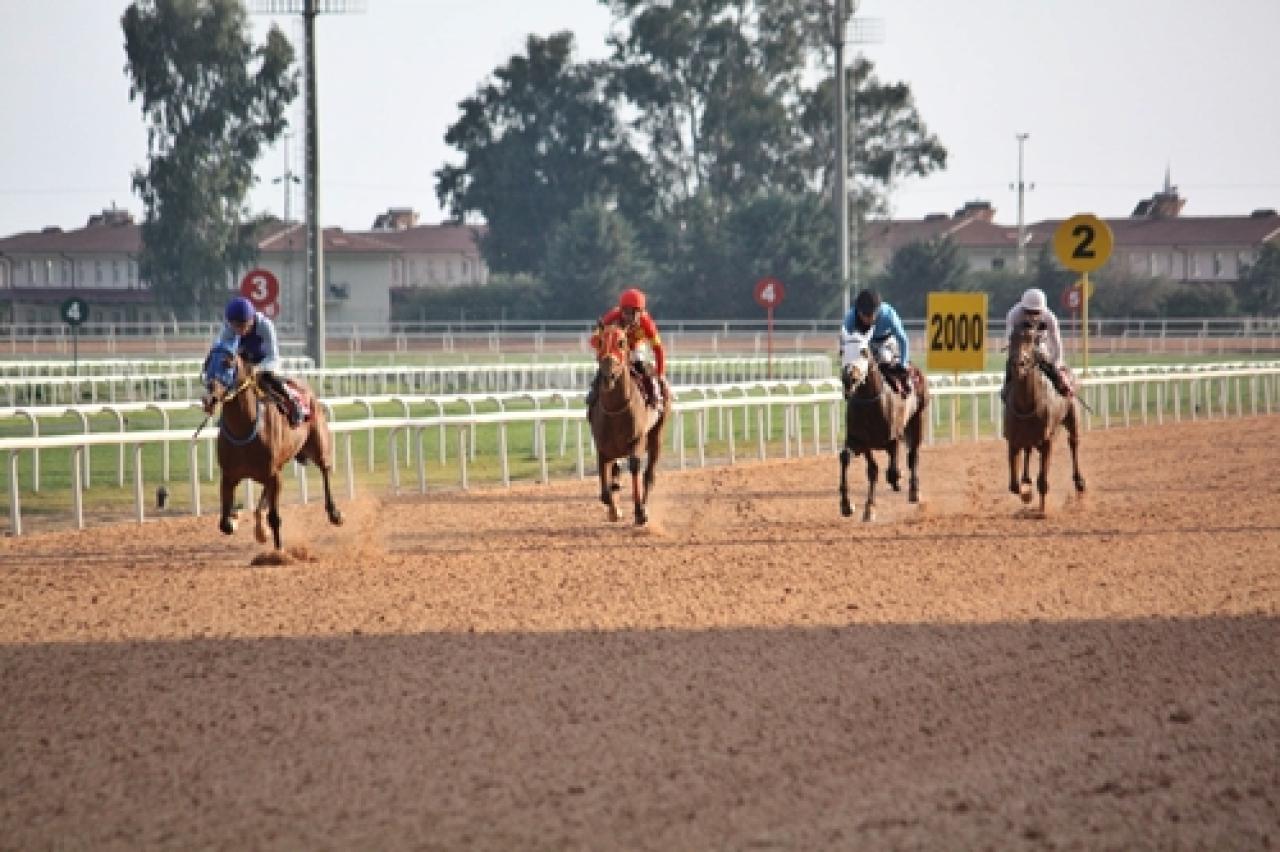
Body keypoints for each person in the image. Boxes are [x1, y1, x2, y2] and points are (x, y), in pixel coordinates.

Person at [209, 296, 304, 426]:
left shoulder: (265, 325)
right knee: (226, 379)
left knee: (270, 377)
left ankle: (293, 403)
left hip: (266, 362)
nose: (239, 331)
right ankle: (221, 413)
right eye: (235, 326)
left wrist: (257, 368)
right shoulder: (228, 329)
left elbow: (273, 356)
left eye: (243, 326)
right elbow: (223, 351)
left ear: (251, 319)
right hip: (242, 365)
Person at [586, 287, 668, 412]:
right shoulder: (612, 317)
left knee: (641, 365)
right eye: (625, 312)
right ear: (621, 310)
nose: (627, 317)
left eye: (632, 313)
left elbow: (658, 349)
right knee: (607, 366)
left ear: (640, 312)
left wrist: (660, 373)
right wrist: (603, 351)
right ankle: (595, 391)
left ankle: (654, 396)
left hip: (635, 348)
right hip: (616, 349)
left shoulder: (647, 324)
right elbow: (593, 340)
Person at [841, 289, 912, 397]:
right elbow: (845, 340)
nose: (866, 319)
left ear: (877, 310)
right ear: (858, 311)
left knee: (884, 357)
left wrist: (903, 364)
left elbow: (902, 339)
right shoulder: (850, 317)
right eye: (863, 314)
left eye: (870, 315)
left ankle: (903, 386)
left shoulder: (889, 315)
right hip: (864, 343)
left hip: (886, 341)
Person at [1003, 287, 1072, 398]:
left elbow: (1057, 343)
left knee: (1051, 367)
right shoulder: (1014, 314)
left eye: (1036, 312)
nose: (1032, 316)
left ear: (1042, 310)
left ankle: (1063, 391)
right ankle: (1006, 392)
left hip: (1041, 346)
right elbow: (1009, 337)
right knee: (1011, 365)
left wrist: (1057, 364)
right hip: (1022, 346)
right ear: (1023, 308)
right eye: (1028, 312)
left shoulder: (1050, 317)